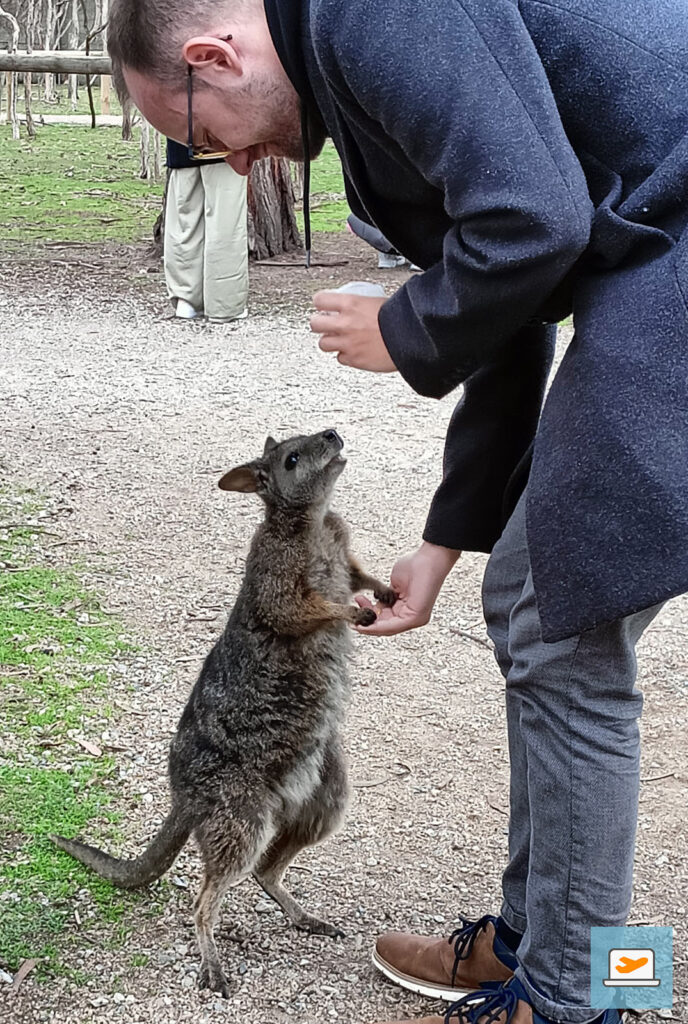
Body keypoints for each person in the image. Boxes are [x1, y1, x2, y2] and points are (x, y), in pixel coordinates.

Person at [106, 3, 688, 1023]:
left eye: (206, 139)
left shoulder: (367, 12)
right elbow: (511, 310)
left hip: (670, 253)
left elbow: (538, 221)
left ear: (213, 56)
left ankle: (572, 997)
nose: (235, 168)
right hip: (653, 255)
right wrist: (443, 541)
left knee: (560, 626)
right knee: (527, 603)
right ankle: (537, 944)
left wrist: (405, 324)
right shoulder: (356, 79)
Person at [164, 138, 249, 322]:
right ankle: (224, 304)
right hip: (225, 142)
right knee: (226, 222)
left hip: (182, 138)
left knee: (185, 222)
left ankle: (186, 300)